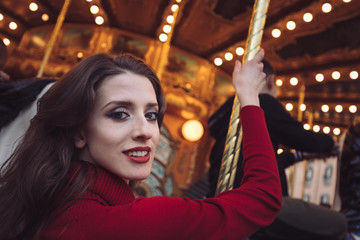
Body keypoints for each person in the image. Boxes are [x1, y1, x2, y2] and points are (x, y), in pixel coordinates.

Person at [0, 50, 282, 239]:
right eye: (119, 114)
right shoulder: (136, 221)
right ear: (78, 132)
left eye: (151, 115)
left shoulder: (43, 199)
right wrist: (250, 98)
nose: (145, 131)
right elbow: (264, 197)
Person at [207, 59, 347, 240]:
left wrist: (299, 156)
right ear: (270, 81)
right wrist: (330, 143)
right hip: (253, 200)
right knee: (338, 223)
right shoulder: (261, 102)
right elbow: (301, 138)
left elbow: (264, 161)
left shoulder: (227, 114)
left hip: (225, 197)